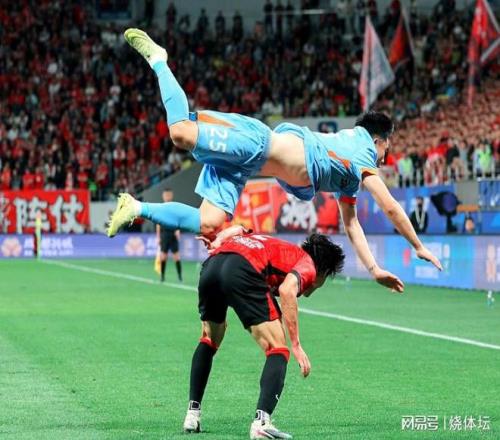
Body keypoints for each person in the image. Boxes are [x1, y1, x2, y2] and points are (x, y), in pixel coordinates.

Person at [108, 29, 442, 293]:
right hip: (255, 143)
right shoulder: (362, 148)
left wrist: (374, 269)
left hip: (245, 166)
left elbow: (352, 225)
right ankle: (159, 60)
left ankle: (135, 207)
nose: (384, 159)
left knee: (209, 223)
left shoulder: (348, 175)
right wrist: (418, 245)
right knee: (180, 132)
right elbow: (390, 207)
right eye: (386, 150)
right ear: (377, 140)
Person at [182, 226, 345, 439]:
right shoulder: (307, 264)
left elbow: (238, 229)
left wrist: (219, 238)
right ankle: (261, 422)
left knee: (210, 338)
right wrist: (296, 344)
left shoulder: (273, 245)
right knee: (278, 349)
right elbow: (287, 290)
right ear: (324, 271)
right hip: (242, 268)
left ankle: (192, 414)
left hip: (212, 266)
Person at [156, 189, 182, 282]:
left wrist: (178, 230)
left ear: (171, 196)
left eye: (168, 195)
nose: (167, 197)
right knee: (163, 256)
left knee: (177, 257)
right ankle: (162, 276)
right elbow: (158, 223)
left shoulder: (174, 208)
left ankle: (180, 276)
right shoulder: (161, 208)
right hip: (164, 234)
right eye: (165, 195)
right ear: (163, 196)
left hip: (173, 234)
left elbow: (178, 220)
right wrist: (158, 237)